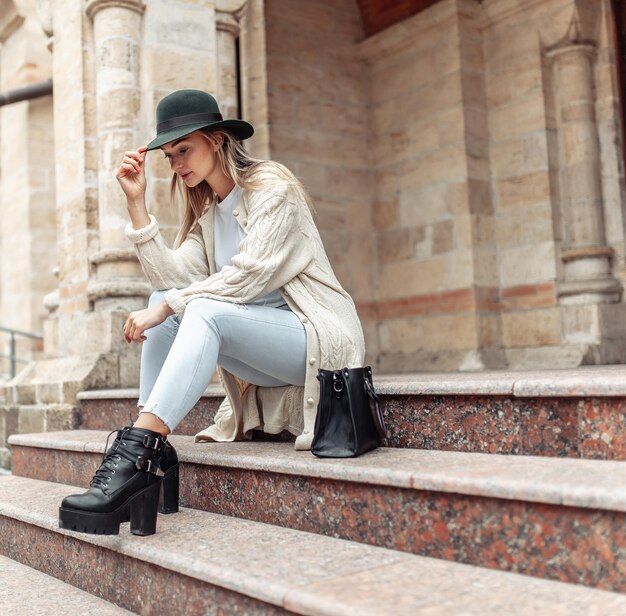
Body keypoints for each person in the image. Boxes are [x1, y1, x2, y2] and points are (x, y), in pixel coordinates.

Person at [58, 89, 365, 536]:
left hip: (316, 339)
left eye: (184, 149)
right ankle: (151, 447)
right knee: (170, 300)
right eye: (168, 155)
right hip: (264, 350)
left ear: (217, 140)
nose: (176, 163)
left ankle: (137, 455)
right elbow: (171, 279)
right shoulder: (210, 215)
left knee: (197, 309)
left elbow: (250, 275)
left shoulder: (272, 189)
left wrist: (170, 305)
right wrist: (136, 205)